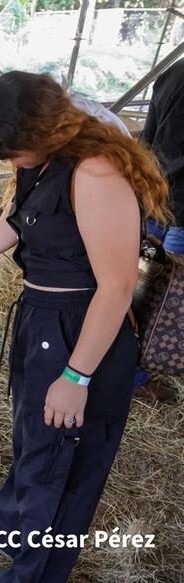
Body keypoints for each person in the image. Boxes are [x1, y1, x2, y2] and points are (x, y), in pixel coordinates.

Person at [0, 71, 171, 583]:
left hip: (82, 330)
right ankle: (12, 528)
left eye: (11, 153)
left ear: (42, 132)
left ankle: (30, 576)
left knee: (61, 464)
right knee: (33, 441)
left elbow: (114, 287)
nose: (8, 164)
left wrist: (76, 377)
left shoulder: (94, 173)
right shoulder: (43, 164)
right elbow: (8, 228)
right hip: (41, 317)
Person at [132, 58, 184, 401]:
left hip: (157, 196)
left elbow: (149, 141)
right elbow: (172, 152)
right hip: (177, 204)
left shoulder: (173, 71)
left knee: (143, 289)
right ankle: (136, 375)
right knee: (161, 294)